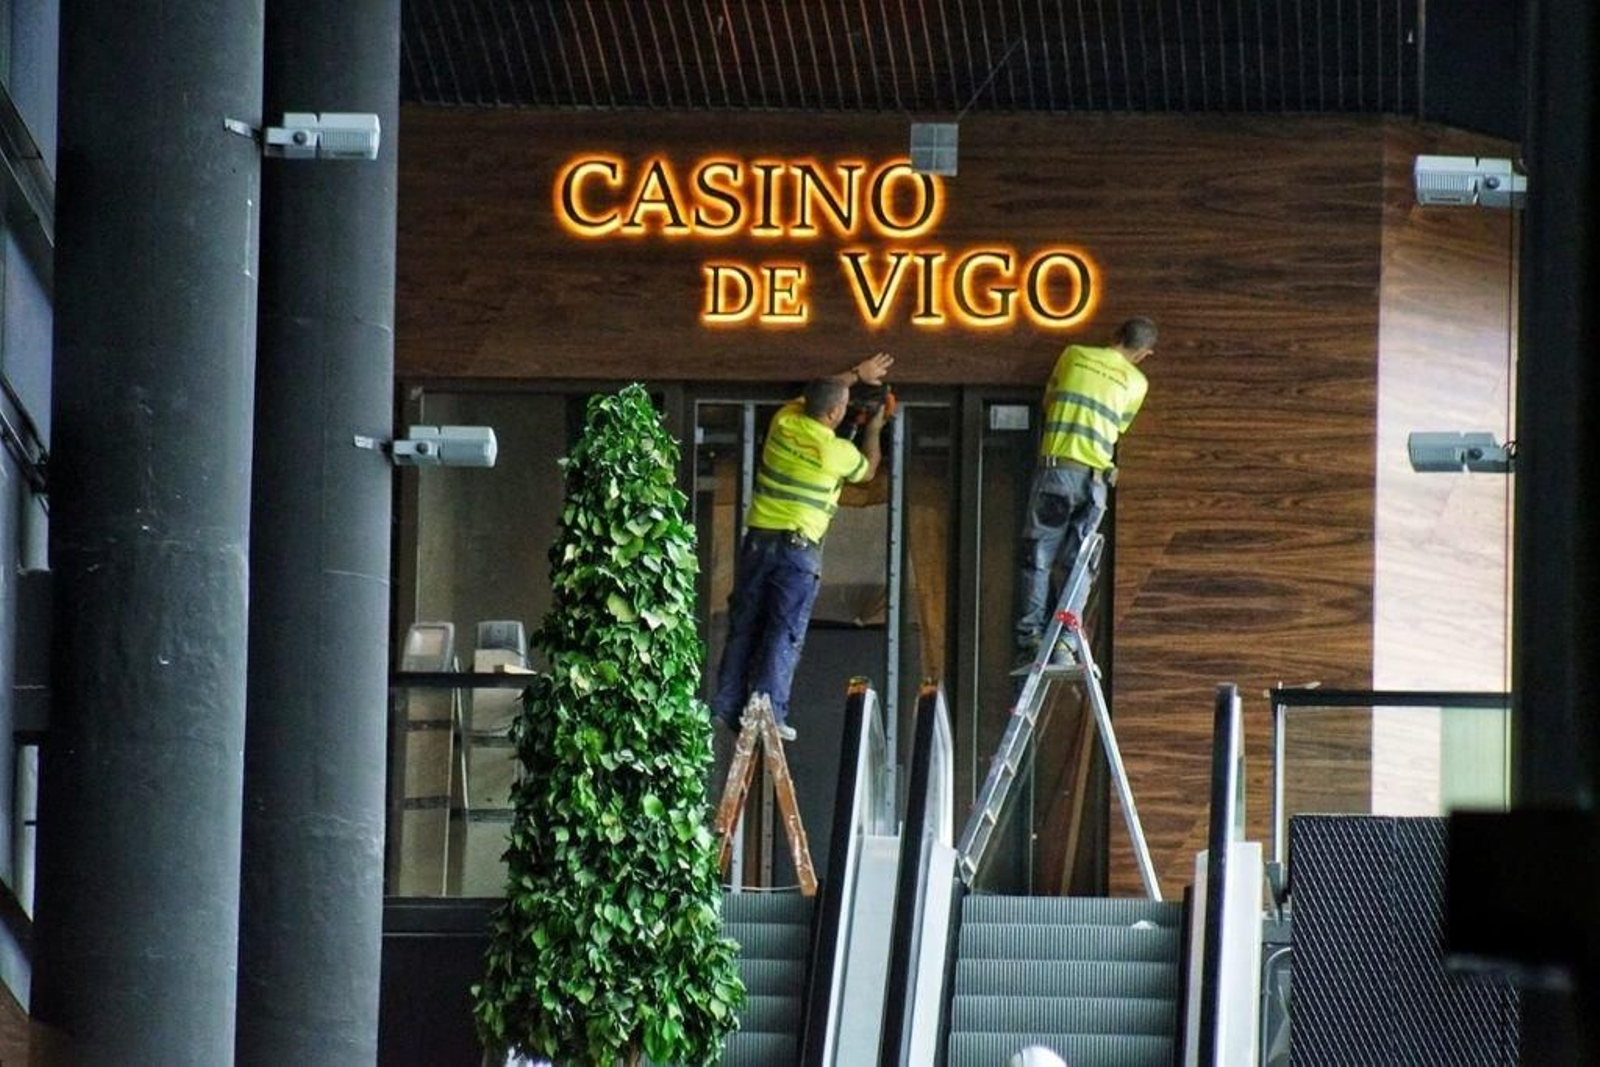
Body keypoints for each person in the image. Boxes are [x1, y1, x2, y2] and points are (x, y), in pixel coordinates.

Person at [710, 352, 895, 740]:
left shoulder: (784, 421)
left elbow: (824, 389)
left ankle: (726, 705)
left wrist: (856, 374)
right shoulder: (837, 452)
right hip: (797, 551)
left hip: (758, 542)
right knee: (783, 631)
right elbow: (870, 467)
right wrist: (874, 426)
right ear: (834, 414)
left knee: (745, 625)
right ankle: (768, 712)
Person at [1015, 317, 1157, 667]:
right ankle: (1064, 644)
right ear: (1143, 354)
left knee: (1040, 555)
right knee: (1080, 565)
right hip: (1095, 483)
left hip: (1058, 473)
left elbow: (1049, 401)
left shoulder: (1073, 355)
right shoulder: (1138, 383)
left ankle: (1031, 638)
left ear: (1115, 334)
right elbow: (1117, 428)